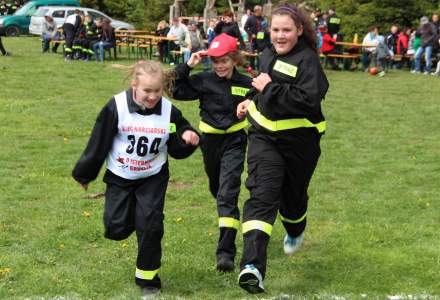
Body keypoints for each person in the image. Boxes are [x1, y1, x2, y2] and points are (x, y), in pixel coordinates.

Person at [72, 60, 200, 297]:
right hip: (120, 176)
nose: (152, 97)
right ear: (134, 86)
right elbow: (99, 141)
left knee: (151, 225)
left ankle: (148, 278)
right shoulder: (116, 107)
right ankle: (132, 217)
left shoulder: (169, 112)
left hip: (152, 176)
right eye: (147, 91)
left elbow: (177, 143)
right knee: (115, 228)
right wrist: (85, 173)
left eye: (157, 91)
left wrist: (188, 138)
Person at [235, 3, 328, 294]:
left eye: (286, 30)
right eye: (275, 29)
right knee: (262, 197)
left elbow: (307, 100)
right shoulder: (266, 55)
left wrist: (267, 90)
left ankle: (296, 229)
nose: (280, 35)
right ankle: (251, 268)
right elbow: (262, 85)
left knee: (293, 199)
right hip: (264, 140)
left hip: (300, 145)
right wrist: (250, 99)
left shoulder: (308, 62)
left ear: (299, 31)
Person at [172, 33, 252, 272]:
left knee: (228, 193)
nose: (219, 66)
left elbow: (262, 101)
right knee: (217, 189)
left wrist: (250, 104)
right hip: (209, 142)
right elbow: (175, 90)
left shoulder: (246, 83)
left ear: (234, 59)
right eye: (215, 61)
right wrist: (187, 65)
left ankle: (225, 253)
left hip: (236, 140)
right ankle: (221, 199)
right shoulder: (203, 79)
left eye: (224, 60)